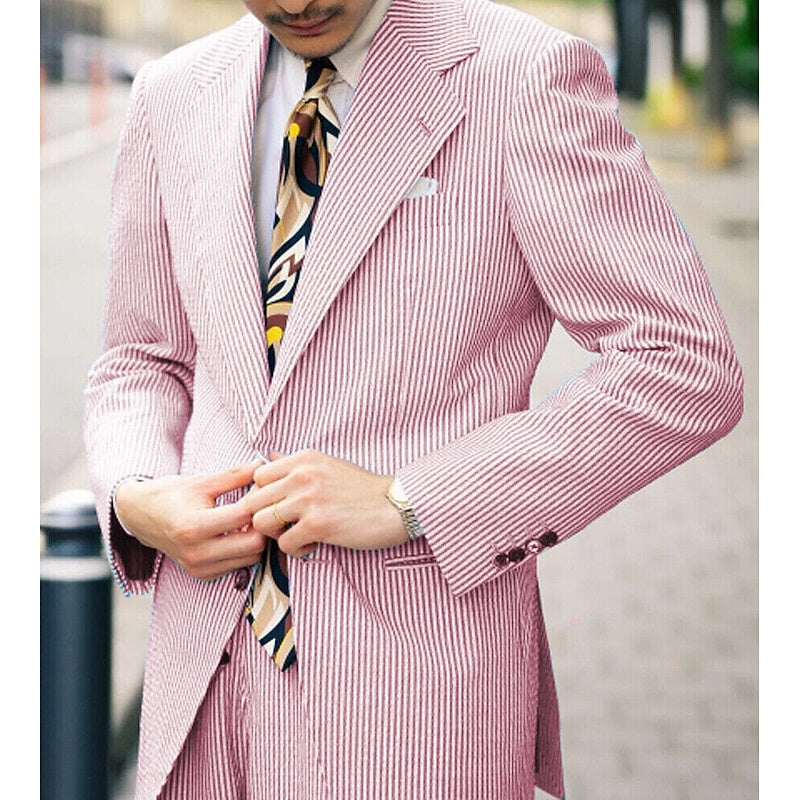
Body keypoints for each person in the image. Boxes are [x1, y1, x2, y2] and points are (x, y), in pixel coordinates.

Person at [84, 0, 743, 797]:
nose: (296, 4)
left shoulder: (521, 76)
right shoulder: (171, 92)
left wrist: (412, 499)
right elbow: (140, 358)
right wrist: (137, 493)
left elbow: (682, 361)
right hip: (199, 690)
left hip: (411, 701)